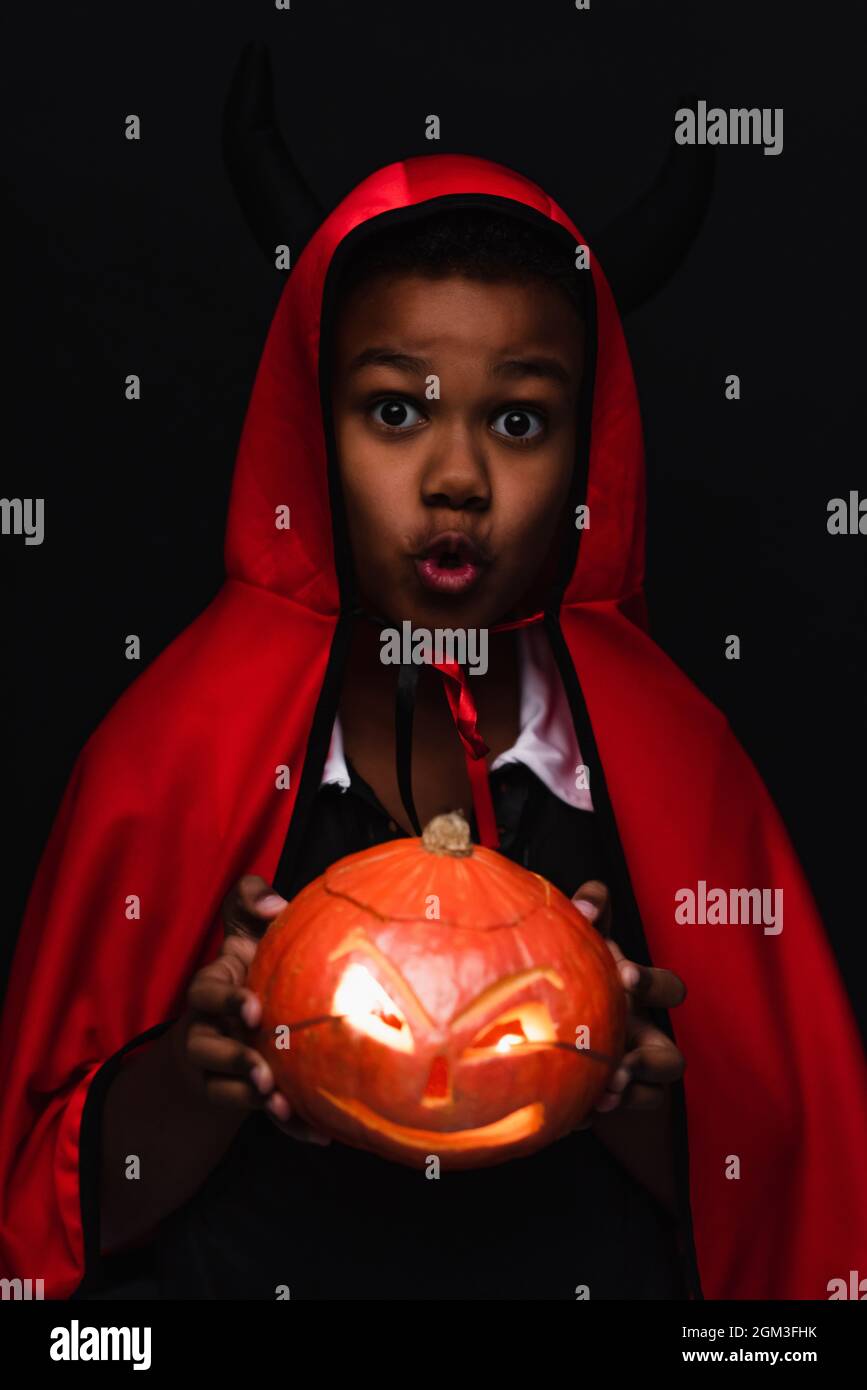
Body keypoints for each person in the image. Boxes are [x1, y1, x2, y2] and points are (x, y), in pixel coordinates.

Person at [2, 135, 866, 1301]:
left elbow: (783, 1224)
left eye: (517, 422)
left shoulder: (679, 761)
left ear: (586, 455)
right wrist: (188, 1077)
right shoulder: (173, 750)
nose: (455, 474)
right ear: (315, 435)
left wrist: (625, 1080)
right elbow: (48, 1227)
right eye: (396, 410)